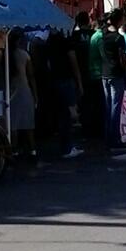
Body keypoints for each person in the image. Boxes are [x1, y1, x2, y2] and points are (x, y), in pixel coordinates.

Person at [47, 29, 84, 159]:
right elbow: (74, 62)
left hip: (54, 80)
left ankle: (65, 146)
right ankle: (67, 147)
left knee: (62, 114)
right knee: (69, 114)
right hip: (66, 79)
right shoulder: (66, 42)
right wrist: (79, 82)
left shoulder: (50, 42)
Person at [100, 9, 126, 150]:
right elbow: (123, 59)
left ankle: (108, 137)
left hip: (105, 73)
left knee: (108, 106)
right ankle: (115, 139)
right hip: (116, 74)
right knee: (116, 107)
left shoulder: (104, 35)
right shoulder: (118, 38)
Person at [9, 29, 38, 158]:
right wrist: (35, 94)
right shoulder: (24, 54)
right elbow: (31, 75)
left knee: (13, 124)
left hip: (10, 91)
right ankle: (32, 149)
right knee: (28, 122)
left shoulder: (5, 56)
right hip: (24, 90)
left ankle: (14, 150)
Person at [70, 11, 94, 137]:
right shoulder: (94, 34)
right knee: (93, 100)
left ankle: (85, 127)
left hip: (79, 71)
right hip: (93, 71)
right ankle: (93, 126)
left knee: (82, 101)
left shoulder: (74, 36)